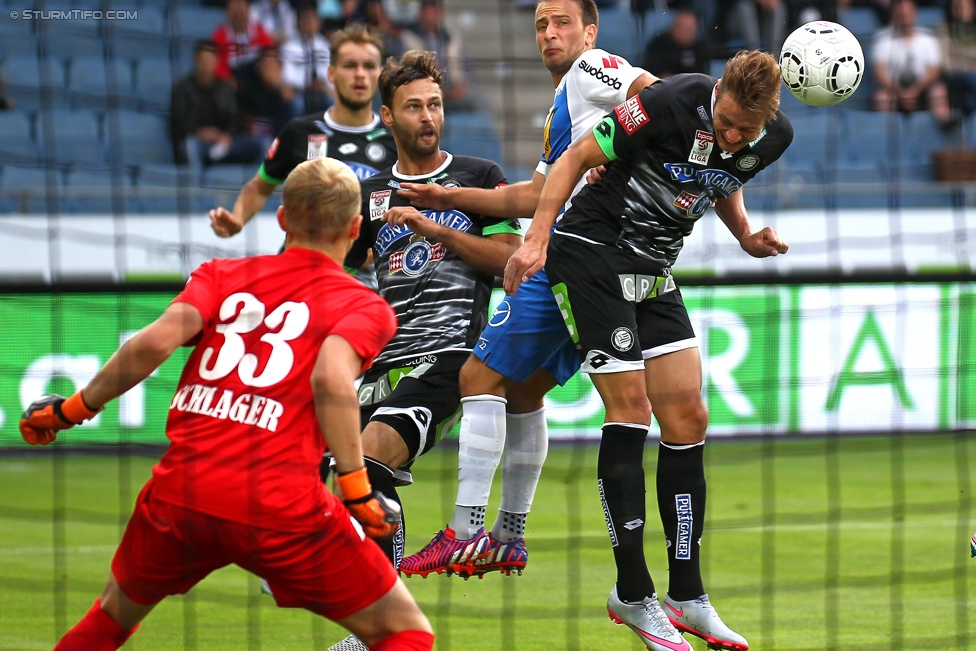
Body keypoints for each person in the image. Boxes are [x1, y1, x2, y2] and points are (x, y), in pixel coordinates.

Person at [19, 156, 435, 651]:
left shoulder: (221, 274)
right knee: (406, 632)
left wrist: (70, 411)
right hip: (278, 503)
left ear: (282, 220)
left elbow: (152, 345)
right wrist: (357, 489)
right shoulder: (364, 306)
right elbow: (330, 378)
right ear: (354, 227)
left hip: (182, 492)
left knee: (110, 618)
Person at [504, 50, 792, 651]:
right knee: (630, 408)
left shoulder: (771, 139)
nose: (730, 135)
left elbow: (721, 180)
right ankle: (633, 595)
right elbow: (578, 157)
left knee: (688, 415)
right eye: (725, 121)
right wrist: (535, 238)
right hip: (592, 248)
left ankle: (686, 597)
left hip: (654, 265)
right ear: (716, 96)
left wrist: (744, 235)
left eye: (745, 129)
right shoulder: (671, 101)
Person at [395, 0, 653, 581]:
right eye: (540, 24)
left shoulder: (591, 72)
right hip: (605, 264)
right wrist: (450, 197)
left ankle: (466, 532)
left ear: (590, 31)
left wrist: (624, 153)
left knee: (477, 377)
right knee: (525, 391)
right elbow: (529, 196)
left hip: (573, 255)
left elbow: (658, 95)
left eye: (562, 22)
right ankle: (510, 535)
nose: (549, 33)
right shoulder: (568, 106)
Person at [323, 49, 522, 651]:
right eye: (414, 107)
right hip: (381, 361)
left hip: (449, 354)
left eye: (435, 104)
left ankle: (384, 630)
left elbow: (509, 259)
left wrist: (441, 229)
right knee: (334, 481)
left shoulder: (480, 177)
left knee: (372, 460)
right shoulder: (372, 194)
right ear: (388, 116)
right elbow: (340, 269)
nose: (428, 116)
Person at [210, 23, 397, 250]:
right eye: (350, 65)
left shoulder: (395, 140)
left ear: (379, 74)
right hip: (301, 269)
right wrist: (237, 219)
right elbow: (260, 186)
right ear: (331, 73)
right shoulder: (299, 132)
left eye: (368, 66)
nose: (360, 74)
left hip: (362, 275)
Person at [171, 39, 265, 169]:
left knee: (262, 143)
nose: (205, 65)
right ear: (195, 61)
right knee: (189, 145)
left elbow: (234, 118)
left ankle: (258, 187)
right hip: (200, 142)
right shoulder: (182, 89)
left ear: (216, 61)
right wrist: (198, 132)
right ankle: (197, 188)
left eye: (209, 60)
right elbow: (178, 123)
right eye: (202, 60)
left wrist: (227, 135)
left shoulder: (225, 88)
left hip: (225, 142)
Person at [872, 0, 956, 129]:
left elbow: (934, 70)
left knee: (938, 92)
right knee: (882, 97)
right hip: (894, 90)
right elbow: (879, 71)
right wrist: (900, 92)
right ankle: (884, 132)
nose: (904, 17)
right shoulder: (883, 38)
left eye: (907, 13)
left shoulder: (927, 38)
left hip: (922, 90)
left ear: (914, 14)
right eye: (900, 13)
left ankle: (945, 126)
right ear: (894, 14)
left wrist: (915, 90)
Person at [402, 0, 476, 111]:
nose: (432, 14)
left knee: (479, 102)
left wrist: (459, 89)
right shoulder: (409, 38)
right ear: (421, 13)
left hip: (456, 94)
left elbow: (467, 70)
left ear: (441, 12)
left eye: (436, 10)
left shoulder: (453, 37)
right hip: (424, 91)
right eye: (428, 10)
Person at [236, 46, 301, 146]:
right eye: (265, 65)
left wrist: (280, 87)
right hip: (258, 137)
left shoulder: (286, 92)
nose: (269, 69)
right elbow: (245, 121)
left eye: (273, 65)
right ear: (258, 68)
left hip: (279, 136)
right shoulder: (250, 88)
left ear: (280, 67)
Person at [282, 4, 334, 114]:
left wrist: (322, 84)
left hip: (321, 91)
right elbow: (287, 76)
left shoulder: (325, 46)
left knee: (331, 101)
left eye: (311, 18)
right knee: (297, 104)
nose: (308, 23)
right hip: (299, 92)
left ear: (318, 23)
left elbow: (329, 73)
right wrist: (307, 83)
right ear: (298, 23)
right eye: (304, 19)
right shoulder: (289, 47)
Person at [640, 8, 717, 78]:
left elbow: (703, 75)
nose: (687, 33)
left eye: (690, 29)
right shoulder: (659, 44)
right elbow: (652, 73)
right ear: (674, 27)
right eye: (684, 28)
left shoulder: (699, 48)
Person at [212, 0, 277, 80]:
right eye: (234, 5)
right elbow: (215, 66)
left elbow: (271, 56)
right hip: (230, 84)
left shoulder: (260, 32)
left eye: (241, 5)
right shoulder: (219, 36)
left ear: (248, 9)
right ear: (227, 10)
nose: (238, 10)